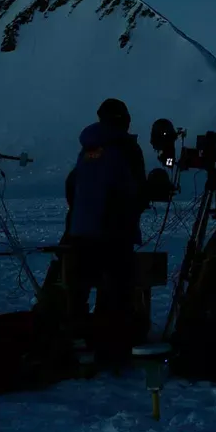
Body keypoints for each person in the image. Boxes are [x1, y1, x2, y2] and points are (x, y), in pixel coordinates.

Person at [62, 98, 149, 364]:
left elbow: (71, 185)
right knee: (114, 291)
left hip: (80, 231)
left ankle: (75, 343)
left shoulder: (89, 148)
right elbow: (136, 189)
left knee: (79, 291)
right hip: (113, 232)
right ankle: (109, 348)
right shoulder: (125, 148)